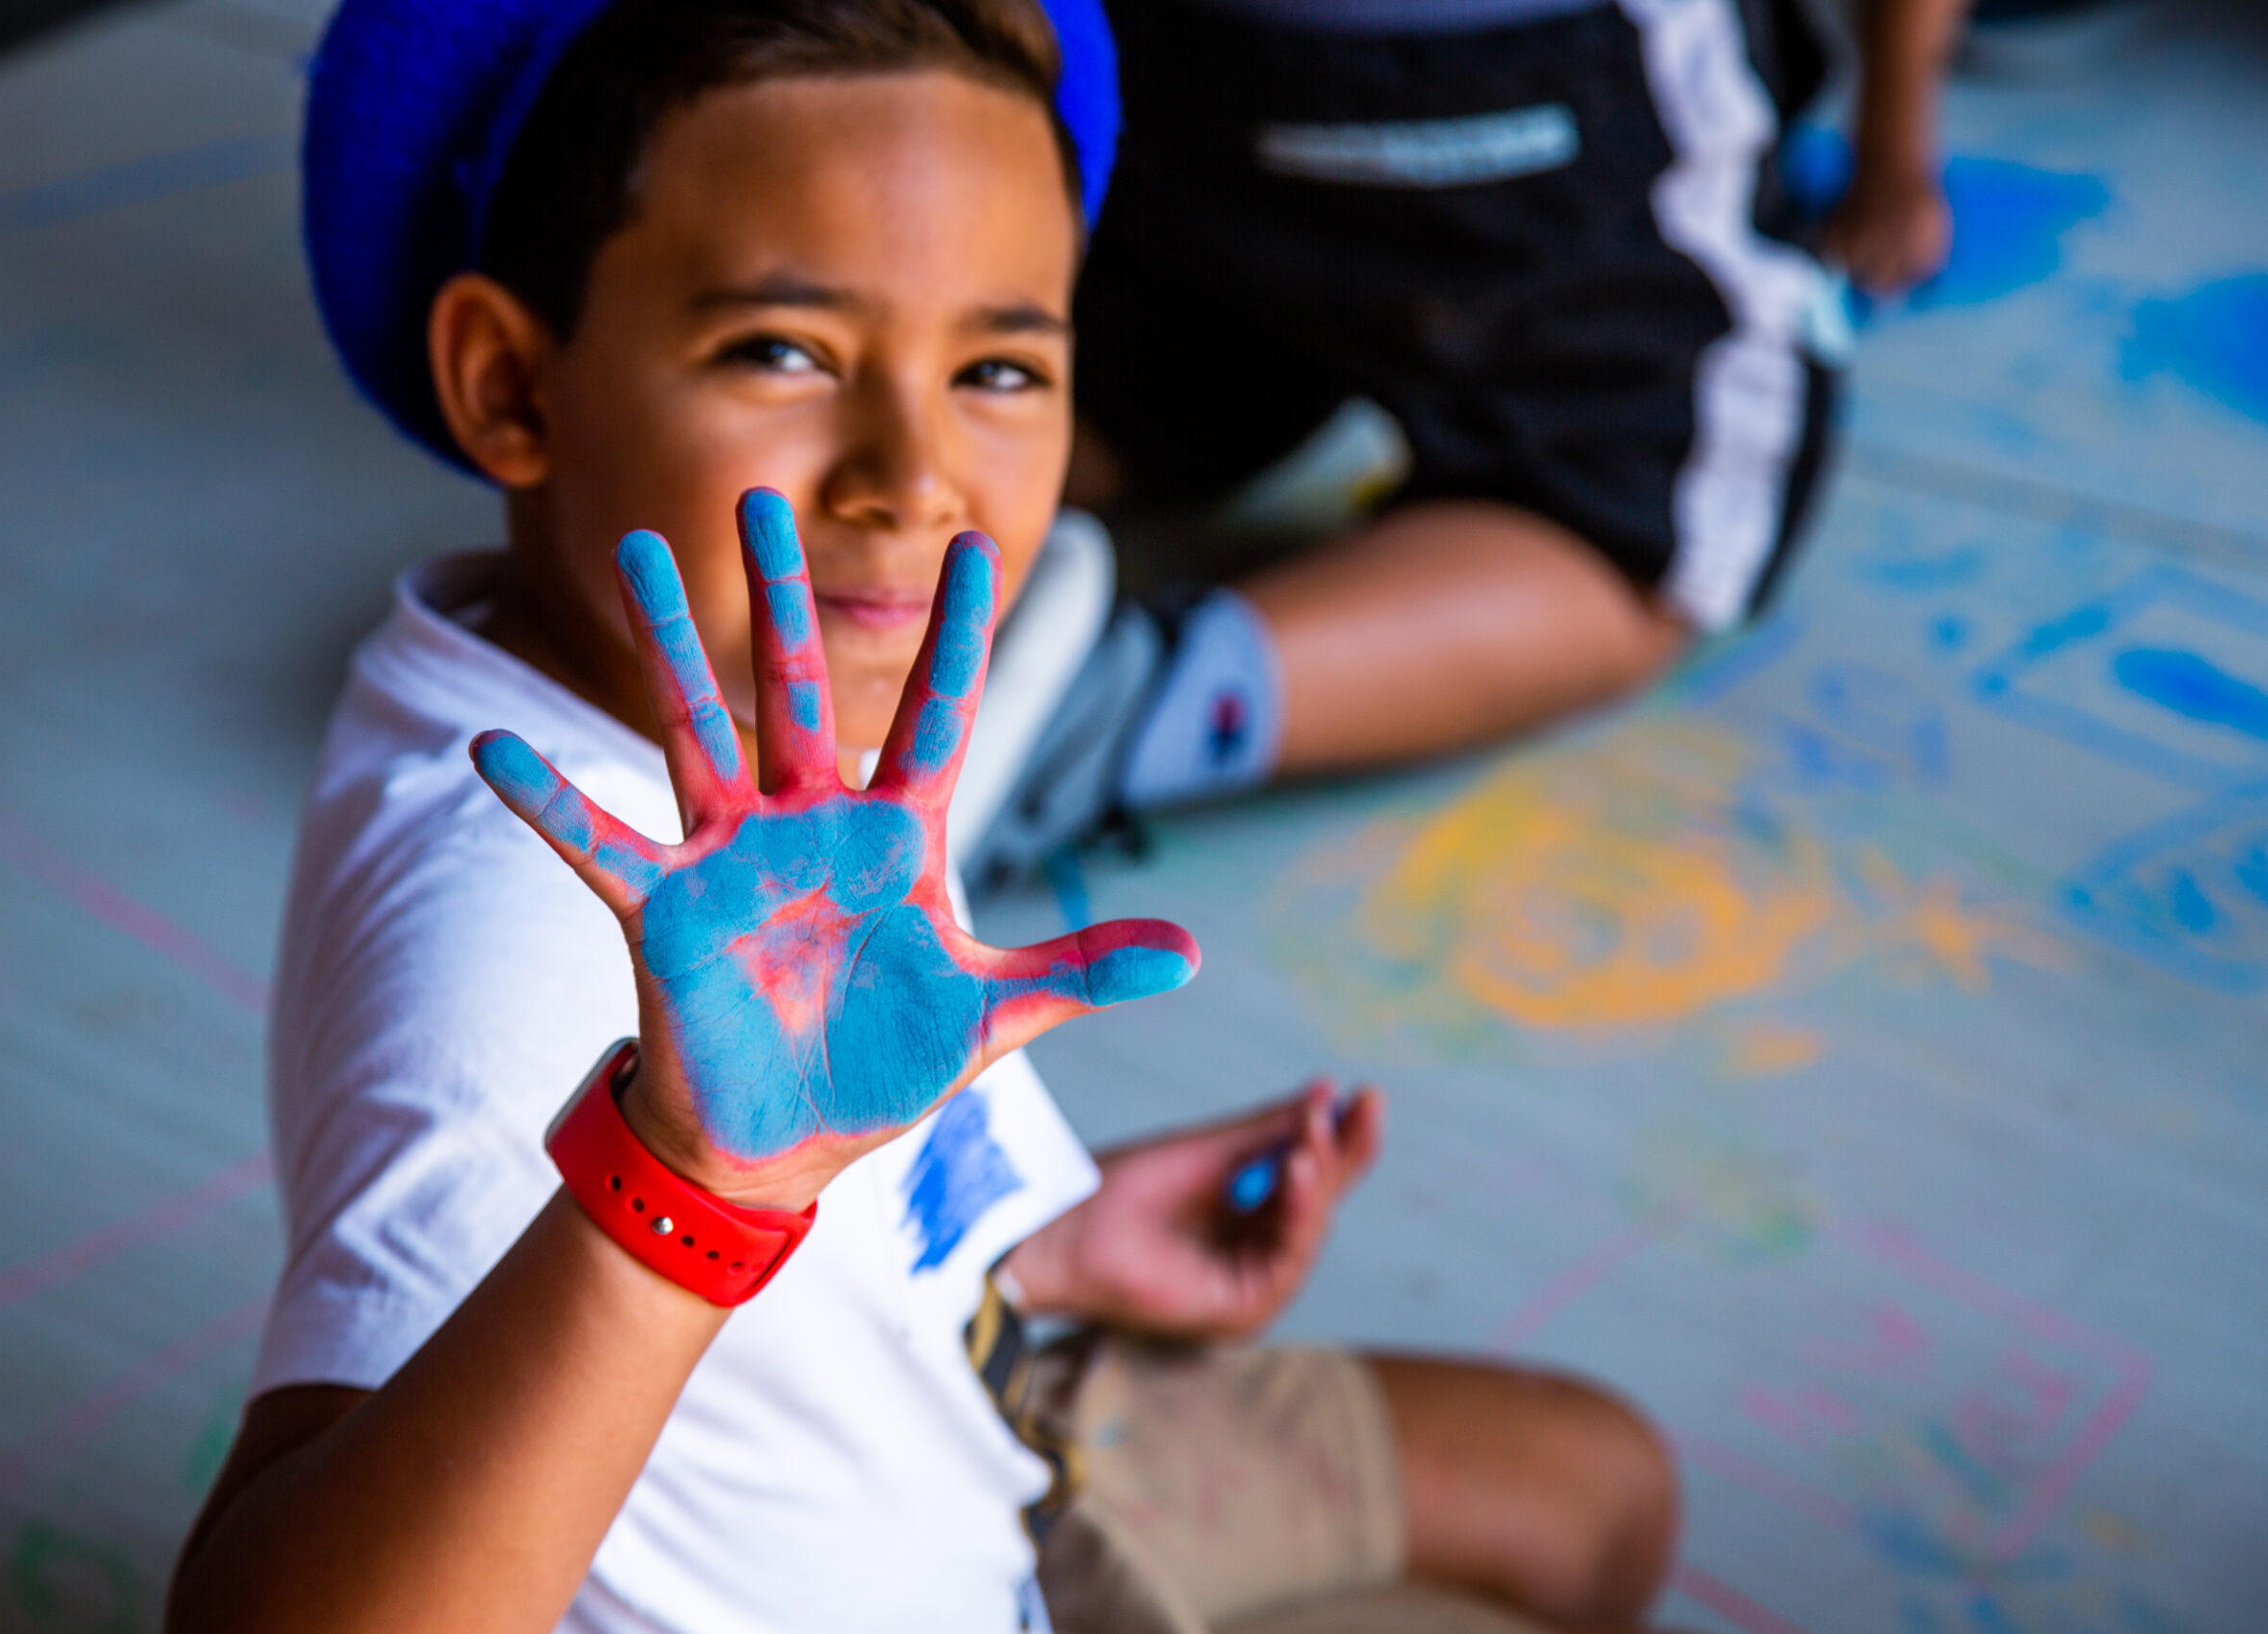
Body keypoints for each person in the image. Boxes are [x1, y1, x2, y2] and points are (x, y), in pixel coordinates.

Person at [167, 3, 1677, 1631]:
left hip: (968, 1407)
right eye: (786, 351)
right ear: (511, 384)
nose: (916, 475)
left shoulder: (758, 694)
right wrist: (686, 1189)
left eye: (999, 368)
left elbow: (809, 1172)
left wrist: (1035, 1251)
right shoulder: (508, 938)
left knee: (1592, 1488)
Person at [967, 0, 1971, 889]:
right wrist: (1894, 152)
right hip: (1507, 68)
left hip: (1152, 62)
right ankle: (1061, 727)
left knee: (1129, 365)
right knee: (1645, 526)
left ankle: (870, 538)